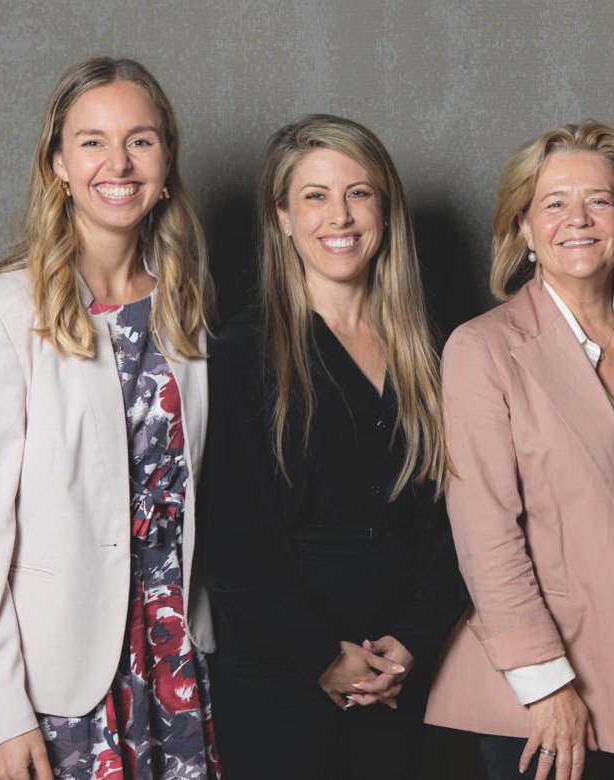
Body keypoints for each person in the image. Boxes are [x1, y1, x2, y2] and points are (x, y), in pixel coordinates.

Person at [0, 57, 221, 780]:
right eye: (92, 141)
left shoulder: (193, 309)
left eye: (141, 140)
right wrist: (2, 711)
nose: (118, 163)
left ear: (167, 156)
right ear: (57, 161)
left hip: (174, 659)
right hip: (47, 680)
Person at [424, 120, 614, 780]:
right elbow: (486, 535)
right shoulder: (483, 350)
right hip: (550, 701)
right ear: (524, 229)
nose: (578, 219)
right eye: (553, 202)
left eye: (600, 199)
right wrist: (547, 686)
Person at [199, 114, 465, 779]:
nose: (339, 216)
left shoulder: (435, 351)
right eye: (315, 195)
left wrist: (411, 642)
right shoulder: (241, 352)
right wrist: (324, 655)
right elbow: (235, 544)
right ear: (282, 216)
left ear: (385, 209)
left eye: (359, 192)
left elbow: (462, 519)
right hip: (278, 678)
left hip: (399, 672)